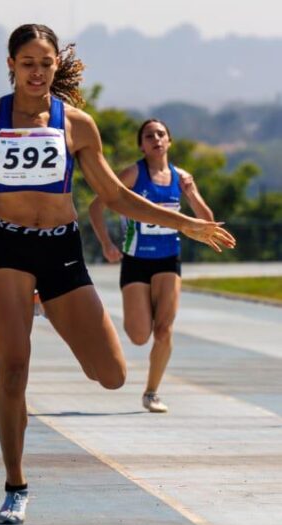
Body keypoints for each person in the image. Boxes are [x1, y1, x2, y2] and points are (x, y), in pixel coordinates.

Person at [0, 24, 235, 525]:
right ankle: (15, 485)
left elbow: (116, 197)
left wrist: (188, 222)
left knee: (114, 376)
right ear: (10, 64)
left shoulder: (77, 123)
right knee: (13, 371)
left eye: (45, 63)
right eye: (27, 62)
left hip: (61, 252)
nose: (37, 72)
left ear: (57, 67)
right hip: (8, 248)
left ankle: (52, 306)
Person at [88, 119, 215, 414]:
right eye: (149, 135)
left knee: (164, 330)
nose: (156, 139)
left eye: (161, 134)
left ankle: (151, 392)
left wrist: (192, 193)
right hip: (136, 261)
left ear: (169, 141)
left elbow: (206, 222)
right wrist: (107, 243)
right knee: (139, 335)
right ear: (141, 145)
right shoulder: (133, 174)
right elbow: (97, 206)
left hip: (169, 259)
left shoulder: (181, 178)